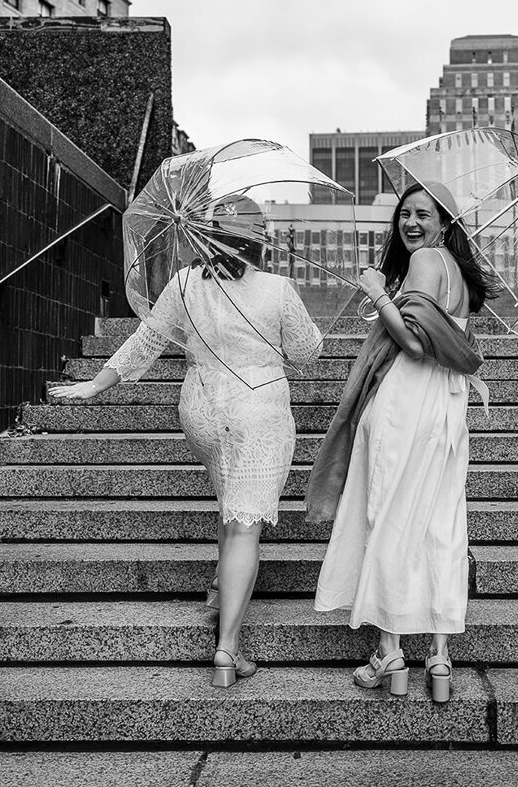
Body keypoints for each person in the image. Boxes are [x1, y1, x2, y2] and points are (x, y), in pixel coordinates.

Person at [48, 196, 322, 688]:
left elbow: (147, 340)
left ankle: (221, 590)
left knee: (229, 504)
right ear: (258, 239)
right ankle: (227, 651)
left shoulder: (182, 284)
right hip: (257, 411)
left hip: (201, 410)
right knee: (244, 526)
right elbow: (306, 354)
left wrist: (96, 383)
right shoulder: (278, 288)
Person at [309, 183, 498, 703]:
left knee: (387, 512)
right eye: (404, 215)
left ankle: (390, 651)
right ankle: (438, 654)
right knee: (440, 521)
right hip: (446, 404)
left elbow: (414, 344)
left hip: (406, 400)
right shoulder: (458, 273)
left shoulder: (424, 263)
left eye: (423, 214)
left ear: (445, 223)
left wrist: (376, 291)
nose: (410, 223)